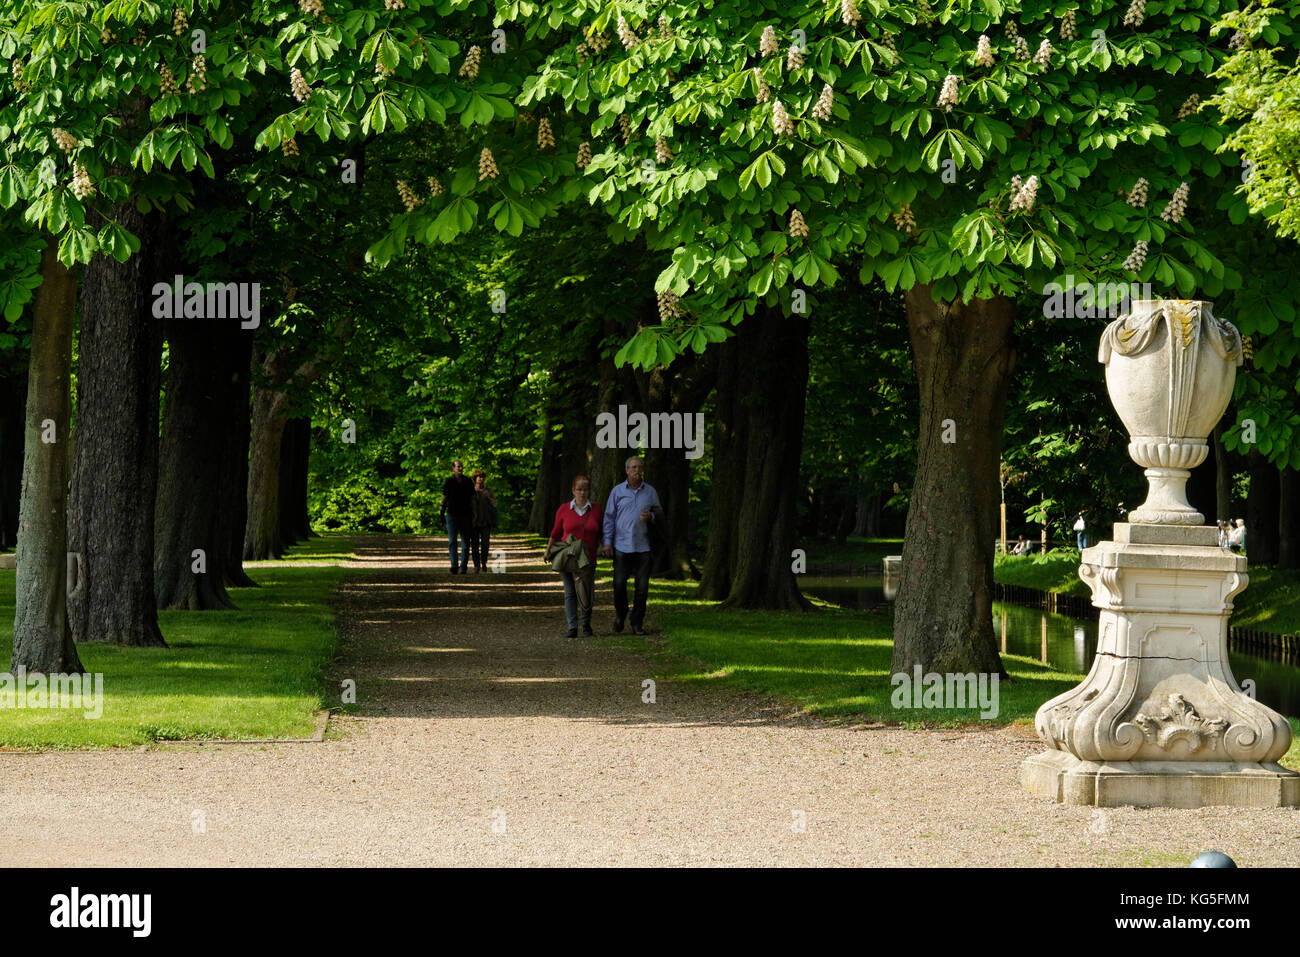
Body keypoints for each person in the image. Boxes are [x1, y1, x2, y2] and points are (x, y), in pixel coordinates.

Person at [600, 456, 661, 636]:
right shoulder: (617, 491)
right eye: (633, 467)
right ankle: (621, 614)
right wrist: (607, 542)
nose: (637, 470)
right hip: (621, 546)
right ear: (627, 470)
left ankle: (637, 623)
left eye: (639, 467)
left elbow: (660, 516)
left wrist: (651, 517)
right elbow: (609, 518)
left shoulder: (650, 492)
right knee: (619, 584)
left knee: (642, 588)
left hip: (643, 546)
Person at [548, 475, 602, 637]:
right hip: (568, 557)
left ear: (589, 491)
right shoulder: (564, 509)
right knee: (570, 591)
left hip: (588, 558)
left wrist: (605, 545)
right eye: (579, 489)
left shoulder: (596, 510)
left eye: (585, 489)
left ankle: (586, 625)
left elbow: (602, 532)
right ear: (573, 490)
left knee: (586, 590)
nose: (582, 493)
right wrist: (548, 550)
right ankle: (572, 627)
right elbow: (556, 532)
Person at [441, 460, 475, 573]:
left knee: (466, 542)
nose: (460, 468)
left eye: (461, 466)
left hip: (466, 515)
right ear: (453, 468)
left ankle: (463, 566)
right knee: (452, 541)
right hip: (452, 515)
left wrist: (475, 514)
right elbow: (445, 497)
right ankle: (454, 565)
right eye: (458, 466)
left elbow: (472, 499)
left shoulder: (468, 481)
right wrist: (441, 513)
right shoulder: (449, 481)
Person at [470, 469, 498, 573]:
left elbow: (495, 504)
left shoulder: (489, 491)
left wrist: (489, 498)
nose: (481, 479)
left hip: (486, 521)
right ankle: (476, 565)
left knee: (485, 544)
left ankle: (484, 563)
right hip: (474, 522)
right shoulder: (471, 491)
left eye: (482, 477)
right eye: (479, 477)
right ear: (475, 479)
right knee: (474, 544)